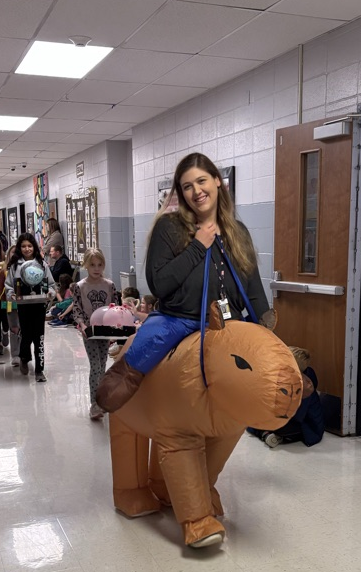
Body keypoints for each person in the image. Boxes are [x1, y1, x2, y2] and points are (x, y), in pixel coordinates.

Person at [98, 152, 269, 412]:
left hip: (229, 323)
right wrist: (198, 245)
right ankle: (119, 382)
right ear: (180, 192)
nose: (196, 191)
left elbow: (254, 290)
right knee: (147, 347)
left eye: (202, 181)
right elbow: (160, 284)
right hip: (179, 320)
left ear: (217, 181)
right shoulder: (169, 227)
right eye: (187, 186)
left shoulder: (238, 232)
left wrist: (267, 334)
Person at [70, 248, 116, 420]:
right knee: (95, 366)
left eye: (100, 265)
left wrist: (114, 331)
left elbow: (115, 309)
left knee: (103, 365)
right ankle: (94, 404)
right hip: (89, 331)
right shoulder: (79, 287)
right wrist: (81, 325)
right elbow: (77, 309)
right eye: (93, 265)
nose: (97, 268)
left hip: (105, 331)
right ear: (86, 266)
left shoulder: (109, 285)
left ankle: (102, 400)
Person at [4, 233, 56, 383]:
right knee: (26, 335)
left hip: (39, 305)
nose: (27, 249)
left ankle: (40, 370)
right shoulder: (15, 266)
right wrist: (11, 294)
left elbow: (51, 285)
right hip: (23, 306)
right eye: (23, 246)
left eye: (29, 246)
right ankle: (24, 358)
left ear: (34, 247)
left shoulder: (42, 264)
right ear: (20, 248)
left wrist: (50, 293)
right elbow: (9, 286)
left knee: (39, 337)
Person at [249, 347, 324, 448]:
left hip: (305, 425)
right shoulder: (287, 378)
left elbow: (296, 415)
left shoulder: (303, 386)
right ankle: (267, 434)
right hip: (292, 418)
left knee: (273, 423)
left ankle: (267, 434)